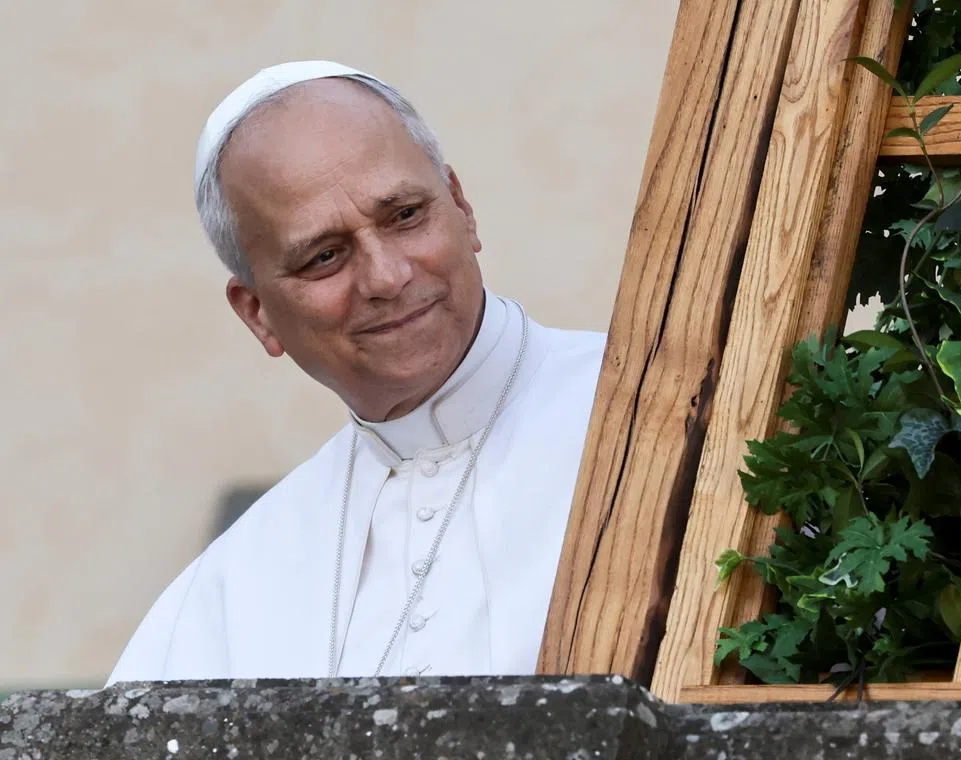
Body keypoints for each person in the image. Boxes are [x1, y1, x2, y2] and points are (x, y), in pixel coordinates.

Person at [106, 60, 606, 683]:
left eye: (405, 216)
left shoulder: (665, 412)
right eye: (324, 256)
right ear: (258, 313)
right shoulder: (227, 594)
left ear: (462, 206)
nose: (387, 277)